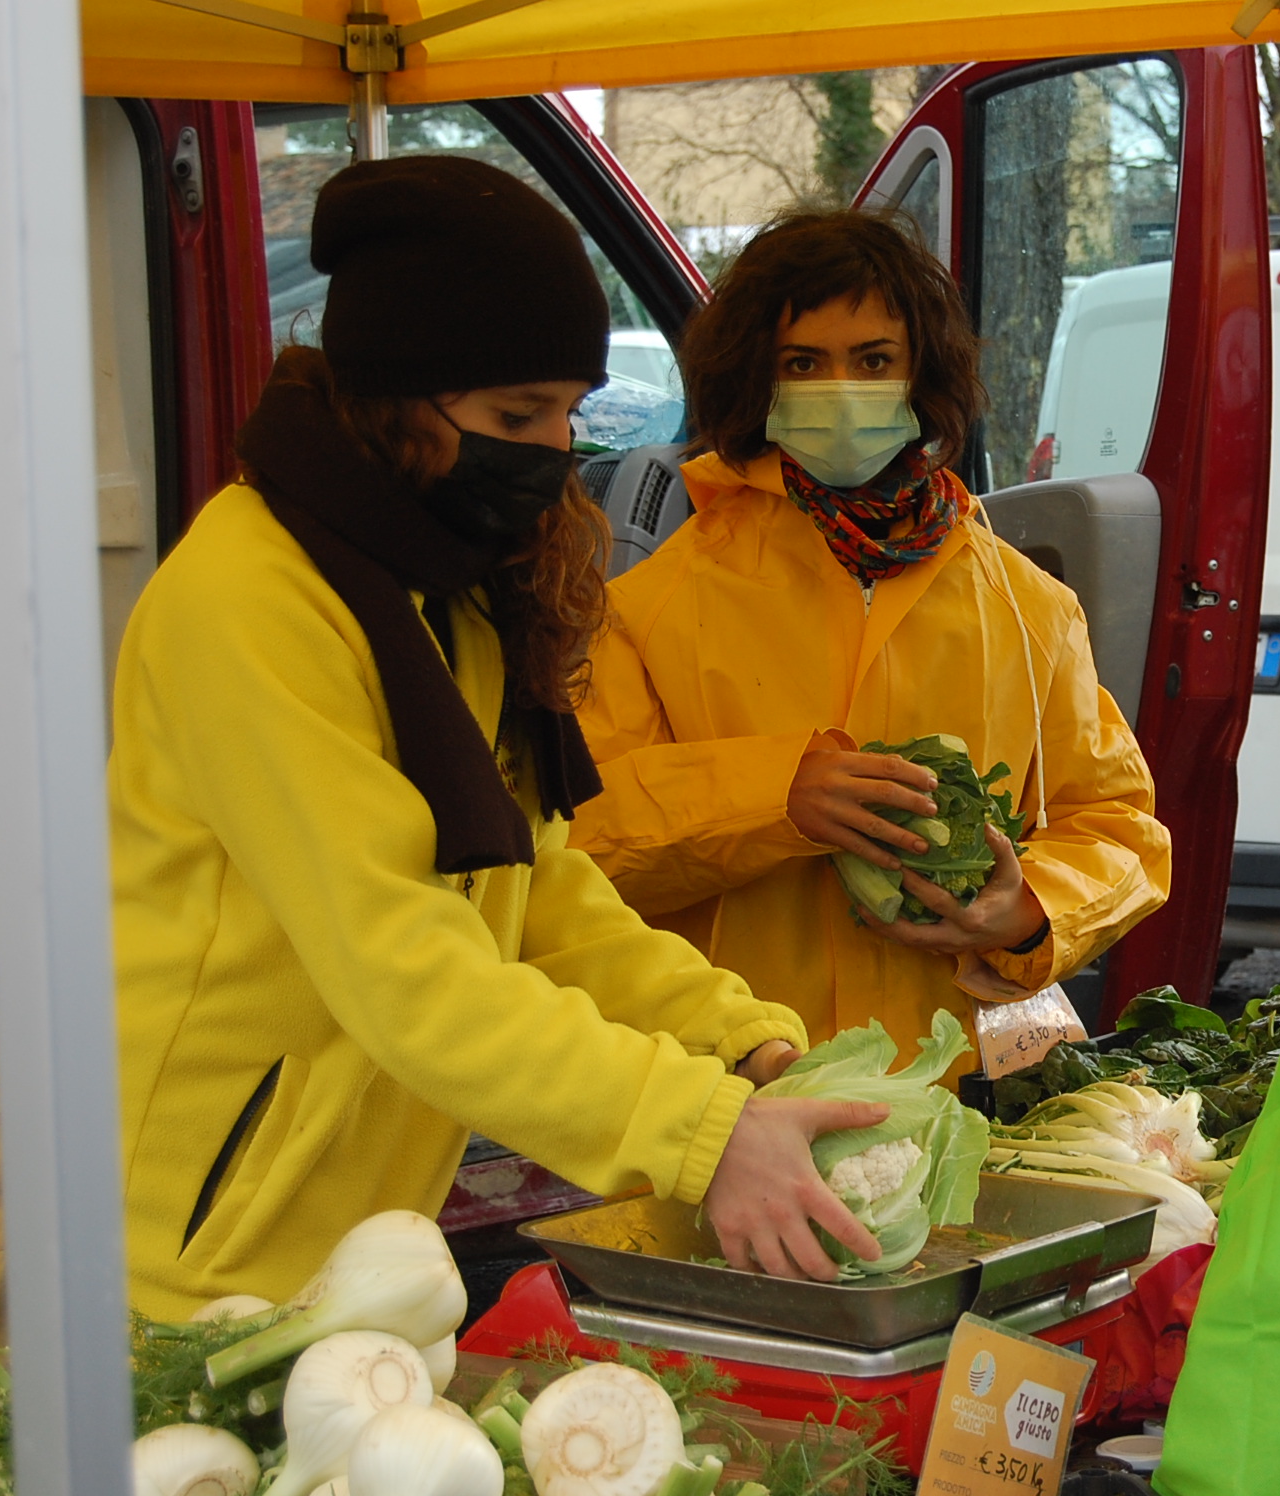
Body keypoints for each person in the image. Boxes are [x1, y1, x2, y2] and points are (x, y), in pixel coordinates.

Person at [111, 157, 888, 1314]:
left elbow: (538, 894)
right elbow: (406, 965)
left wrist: (736, 1041)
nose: (550, 450)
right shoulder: (251, 600)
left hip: (352, 1250)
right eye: (517, 415)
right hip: (176, 1265)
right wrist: (697, 1132)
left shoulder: (442, 585)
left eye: (568, 412)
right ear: (396, 398)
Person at [572, 210, 1170, 1062]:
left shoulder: (1028, 607)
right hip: (734, 1091)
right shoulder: (652, 606)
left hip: (959, 1099)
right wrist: (774, 796)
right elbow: (578, 844)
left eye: (873, 360)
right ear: (756, 381)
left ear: (922, 375)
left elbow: (1116, 824)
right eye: (804, 363)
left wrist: (1032, 909)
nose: (840, 388)